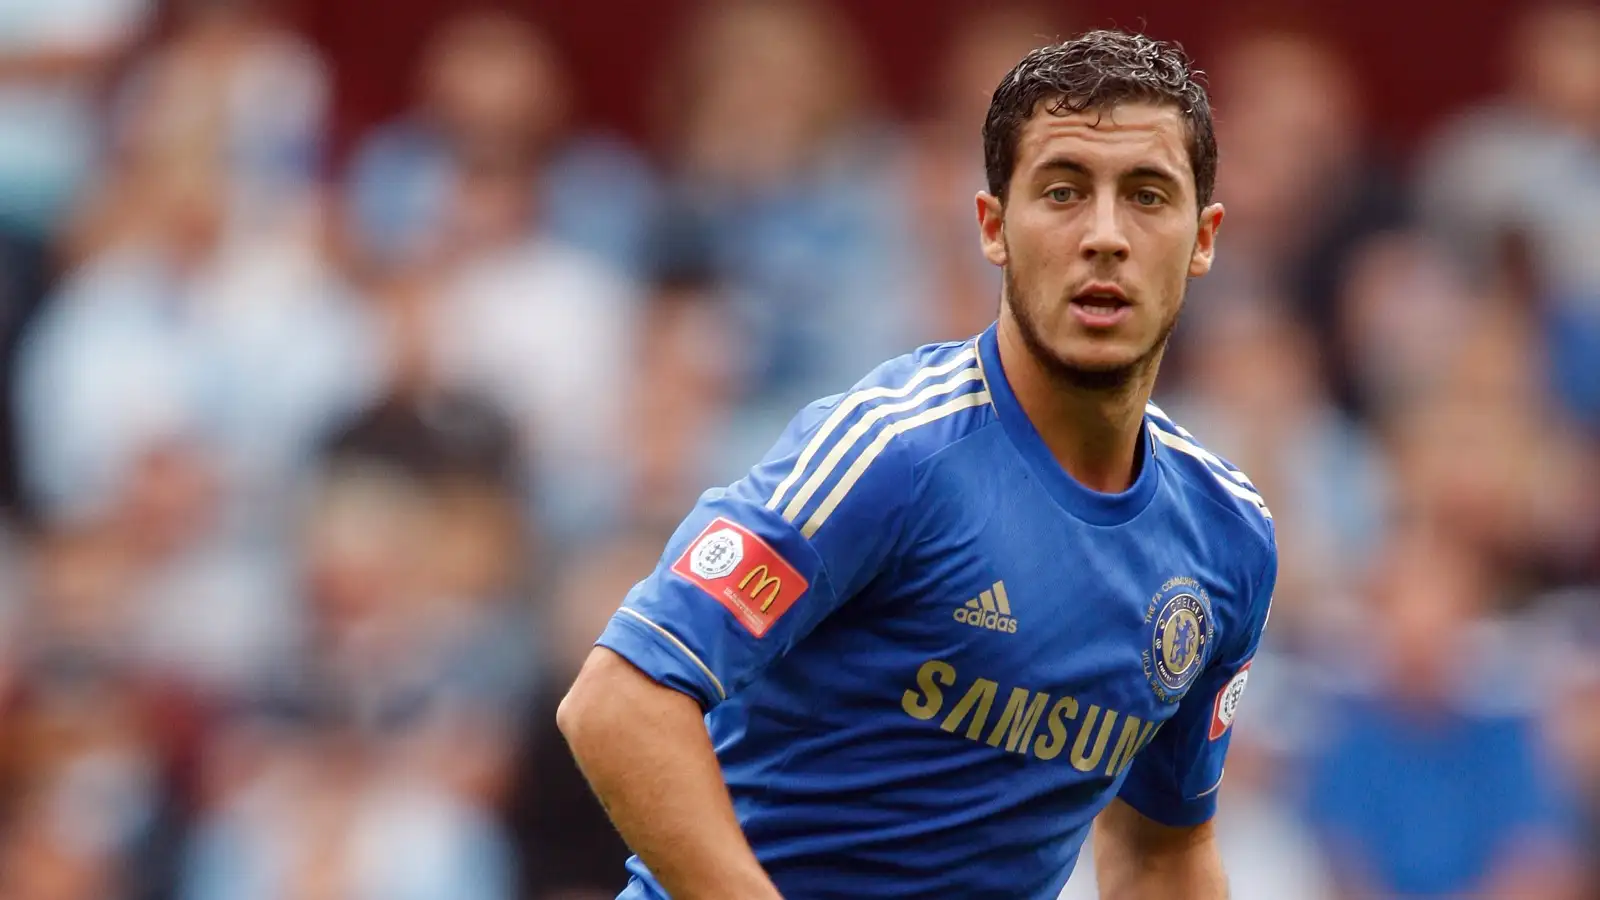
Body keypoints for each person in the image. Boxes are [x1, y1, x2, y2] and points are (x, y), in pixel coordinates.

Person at [558, 30, 1277, 900]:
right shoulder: (891, 455)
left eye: (1147, 196)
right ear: (992, 227)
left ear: (1202, 240)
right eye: (1061, 191)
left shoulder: (1226, 537)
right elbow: (618, 704)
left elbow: (1163, 851)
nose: (1104, 236)